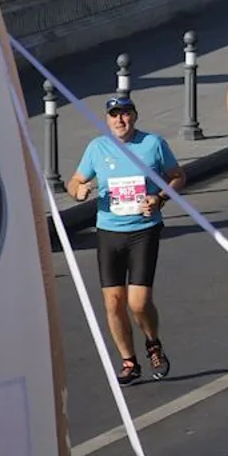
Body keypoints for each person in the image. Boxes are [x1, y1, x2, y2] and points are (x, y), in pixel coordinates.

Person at [67, 96, 182, 384]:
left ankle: (152, 343)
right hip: (108, 231)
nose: (120, 120)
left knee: (139, 302)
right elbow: (74, 181)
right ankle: (129, 361)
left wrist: (159, 197)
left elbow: (178, 176)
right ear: (107, 120)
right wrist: (78, 191)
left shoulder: (152, 144)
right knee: (113, 302)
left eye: (125, 114)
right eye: (114, 115)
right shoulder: (97, 148)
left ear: (135, 116)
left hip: (144, 230)